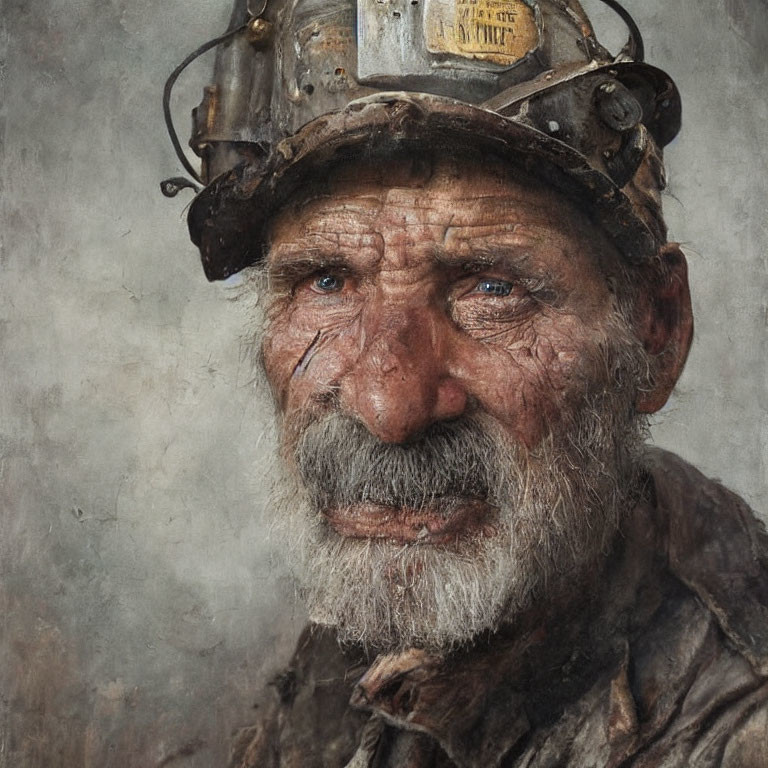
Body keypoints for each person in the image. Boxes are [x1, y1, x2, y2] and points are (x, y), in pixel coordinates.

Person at [163, 0, 768, 764]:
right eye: (325, 281)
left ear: (656, 333)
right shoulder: (382, 627)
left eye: (491, 288)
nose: (389, 407)